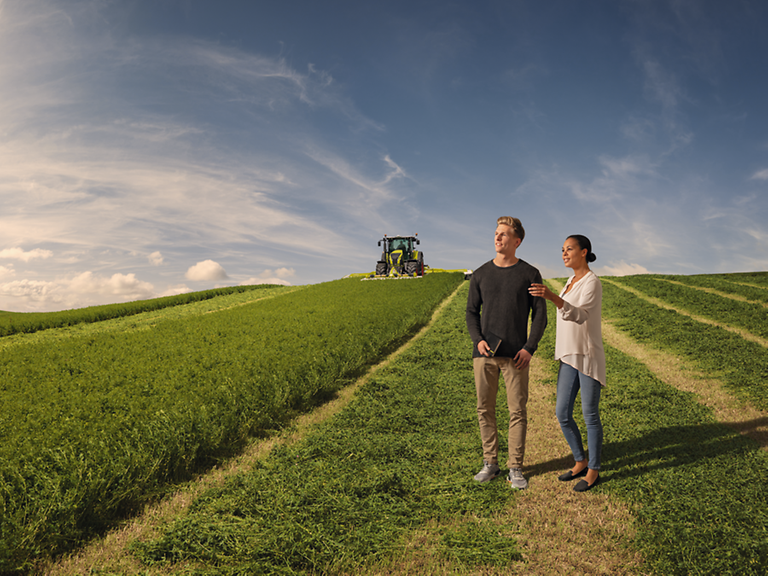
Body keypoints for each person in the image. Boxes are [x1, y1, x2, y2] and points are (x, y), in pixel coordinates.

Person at [466, 216, 548, 489]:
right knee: (484, 409)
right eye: (496, 233)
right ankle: (491, 464)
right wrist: (477, 340)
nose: (498, 238)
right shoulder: (480, 274)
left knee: (517, 412)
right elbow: (471, 312)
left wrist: (529, 348)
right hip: (484, 356)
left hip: (516, 357)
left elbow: (539, 315)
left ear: (517, 241)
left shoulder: (529, 274)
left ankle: (516, 468)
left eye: (504, 234)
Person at [529, 235, 605, 492]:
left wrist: (552, 297)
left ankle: (593, 469)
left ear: (584, 252)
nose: (564, 254)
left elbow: (580, 315)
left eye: (569, 249)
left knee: (589, 415)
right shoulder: (569, 281)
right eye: (562, 250)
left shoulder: (591, 282)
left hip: (586, 355)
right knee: (562, 413)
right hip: (568, 356)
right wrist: (554, 296)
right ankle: (580, 460)